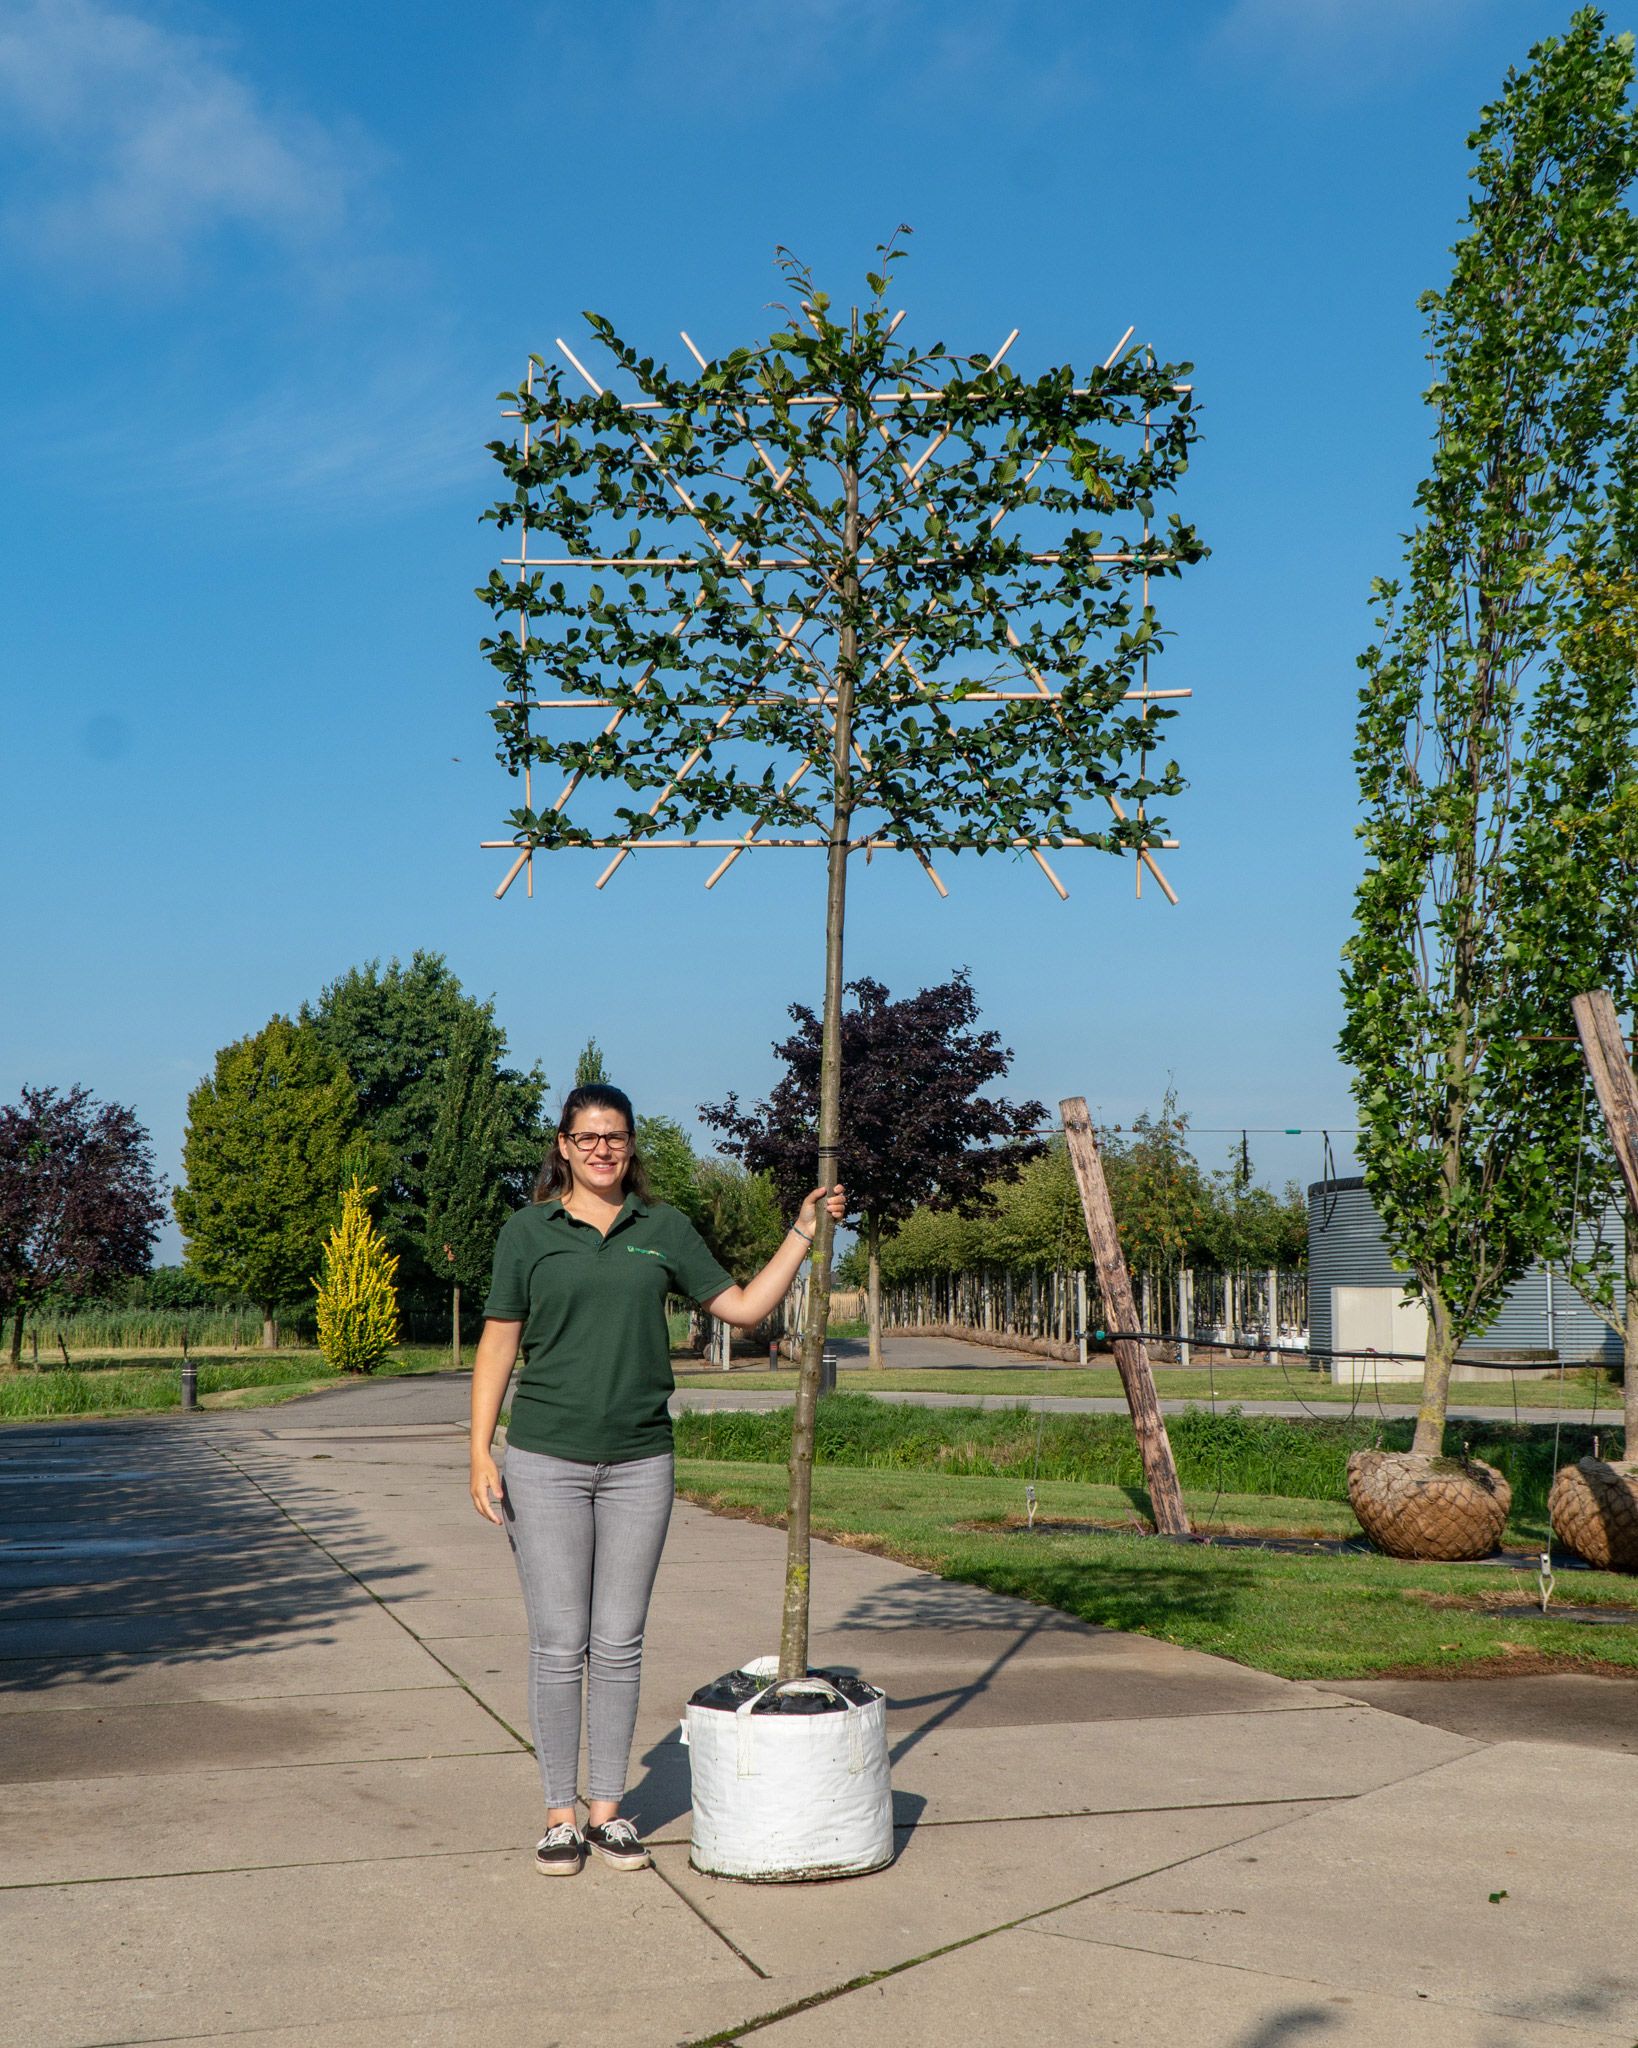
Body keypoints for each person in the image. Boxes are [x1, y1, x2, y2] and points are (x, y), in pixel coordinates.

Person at [469, 1081, 845, 1877]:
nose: (602, 1149)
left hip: (641, 1461)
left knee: (618, 1642)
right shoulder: (527, 1233)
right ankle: (558, 1815)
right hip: (545, 1460)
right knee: (559, 1641)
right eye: (587, 1137)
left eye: (615, 1137)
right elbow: (499, 1344)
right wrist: (478, 1450)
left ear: (630, 1146)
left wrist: (802, 1235)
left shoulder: (663, 1228)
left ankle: (608, 1811)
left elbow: (741, 1309)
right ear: (563, 1146)